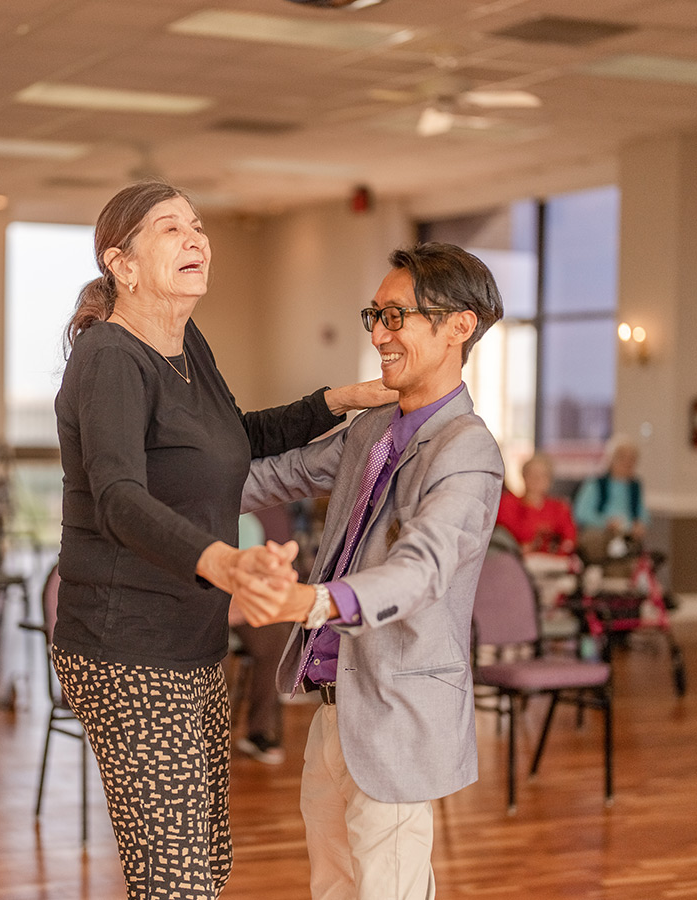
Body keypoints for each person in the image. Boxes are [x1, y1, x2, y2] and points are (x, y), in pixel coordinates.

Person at [50, 180, 392, 900]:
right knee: (176, 881)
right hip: (126, 644)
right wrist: (227, 562)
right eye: (170, 228)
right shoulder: (111, 358)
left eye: (197, 225)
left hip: (191, 636)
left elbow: (235, 440)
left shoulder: (186, 347)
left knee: (203, 864)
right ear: (123, 264)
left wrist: (336, 401)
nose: (195, 238)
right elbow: (117, 499)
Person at [235, 242, 505, 900]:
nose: (378, 334)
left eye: (396, 316)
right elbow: (274, 476)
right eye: (373, 315)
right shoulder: (374, 427)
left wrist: (309, 602)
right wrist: (156, 487)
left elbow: (420, 570)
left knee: (387, 889)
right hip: (336, 703)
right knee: (333, 884)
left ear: (458, 326)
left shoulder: (468, 451)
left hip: (397, 708)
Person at [229, 508, 295, 765]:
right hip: (198, 605)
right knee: (213, 650)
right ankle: (205, 732)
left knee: (277, 640)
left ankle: (258, 731)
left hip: (240, 603)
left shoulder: (251, 525)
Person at [572, 435, 649, 563]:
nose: (627, 463)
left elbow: (643, 514)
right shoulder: (595, 484)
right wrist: (606, 523)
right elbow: (580, 513)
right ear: (611, 458)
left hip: (627, 535)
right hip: (600, 534)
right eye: (622, 458)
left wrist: (639, 524)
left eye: (632, 459)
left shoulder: (635, 487)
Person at [496, 452, 577, 556]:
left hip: (551, 560)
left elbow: (570, 539)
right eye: (532, 474)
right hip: (515, 559)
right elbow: (505, 535)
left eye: (542, 475)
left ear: (549, 480)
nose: (536, 479)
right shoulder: (508, 503)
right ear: (523, 476)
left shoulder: (559, 507)